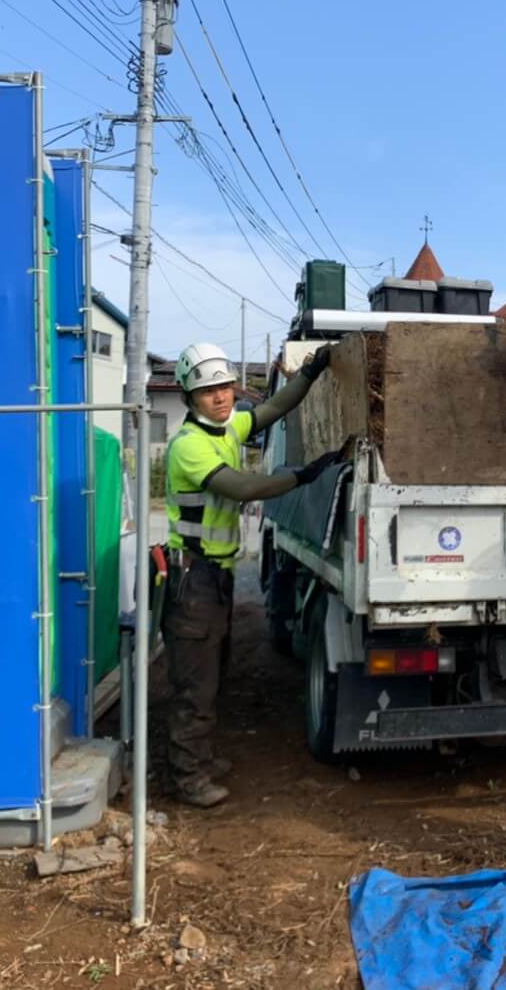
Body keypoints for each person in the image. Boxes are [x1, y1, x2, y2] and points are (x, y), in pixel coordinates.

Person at [163, 341, 339, 808]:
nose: (220, 398)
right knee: (194, 685)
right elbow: (244, 488)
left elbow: (276, 407)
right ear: (188, 396)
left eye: (224, 387)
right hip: (192, 581)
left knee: (214, 675)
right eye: (208, 391)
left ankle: (199, 759)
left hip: (213, 577)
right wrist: (302, 477)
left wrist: (312, 371)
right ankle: (189, 775)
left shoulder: (227, 429)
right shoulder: (190, 446)